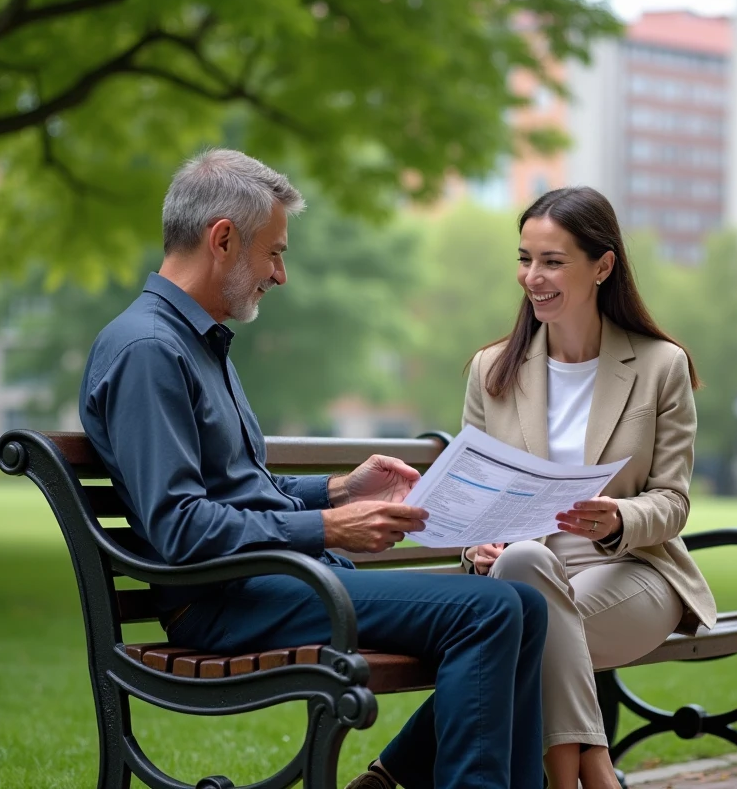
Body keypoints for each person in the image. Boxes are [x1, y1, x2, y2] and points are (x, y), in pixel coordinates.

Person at [78, 148, 548, 789]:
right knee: (489, 610)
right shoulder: (149, 352)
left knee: (524, 605)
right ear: (222, 240)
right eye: (274, 252)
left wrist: (338, 489)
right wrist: (329, 527)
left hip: (270, 582)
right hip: (227, 599)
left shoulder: (195, 340)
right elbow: (181, 528)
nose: (280, 274)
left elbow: (239, 490)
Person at [461, 187, 718, 789]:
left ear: (603, 266)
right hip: (524, 569)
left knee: (527, 637)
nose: (533, 276)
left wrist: (620, 518)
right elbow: (475, 497)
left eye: (552, 261)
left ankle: (403, 767)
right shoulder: (491, 369)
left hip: (631, 569)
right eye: (525, 259)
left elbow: (673, 502)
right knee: (524, 565)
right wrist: (479, 547)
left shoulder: (661, 365)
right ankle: (593, 773)